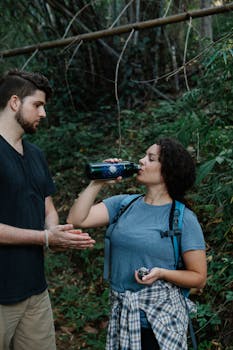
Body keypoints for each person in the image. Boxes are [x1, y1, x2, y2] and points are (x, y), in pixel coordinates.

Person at [67, 138, 207, 350]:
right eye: (144, 155)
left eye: (150, 158)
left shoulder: (182, 218)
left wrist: (161, 273)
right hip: (123, 316)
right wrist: (98, 182)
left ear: (168, 171)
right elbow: (77, 220)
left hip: (161, 322)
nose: (141, 161)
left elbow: (198, 278)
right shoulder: (123, 204)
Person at [0, 69, 95, 350]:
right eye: (38, 105)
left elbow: (47, 206)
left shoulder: (36, 155)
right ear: (15, 102)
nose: (43, 114)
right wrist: (44, 238)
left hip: (35, 291)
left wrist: (55, 231)